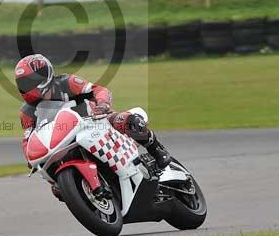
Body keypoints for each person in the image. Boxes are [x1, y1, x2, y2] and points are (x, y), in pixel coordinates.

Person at [15, 53, 170, 169]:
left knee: (129, 121)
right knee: (54, 183)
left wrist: (102, 105)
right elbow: (29, 137)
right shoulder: (26, 112)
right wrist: (30, 156)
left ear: (44, 77)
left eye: (29, 82)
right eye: (23, 83)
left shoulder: (66, 83)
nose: (26, 87)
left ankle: (157, 150)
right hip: (64, 140)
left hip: (97, 122)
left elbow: (99, 90)